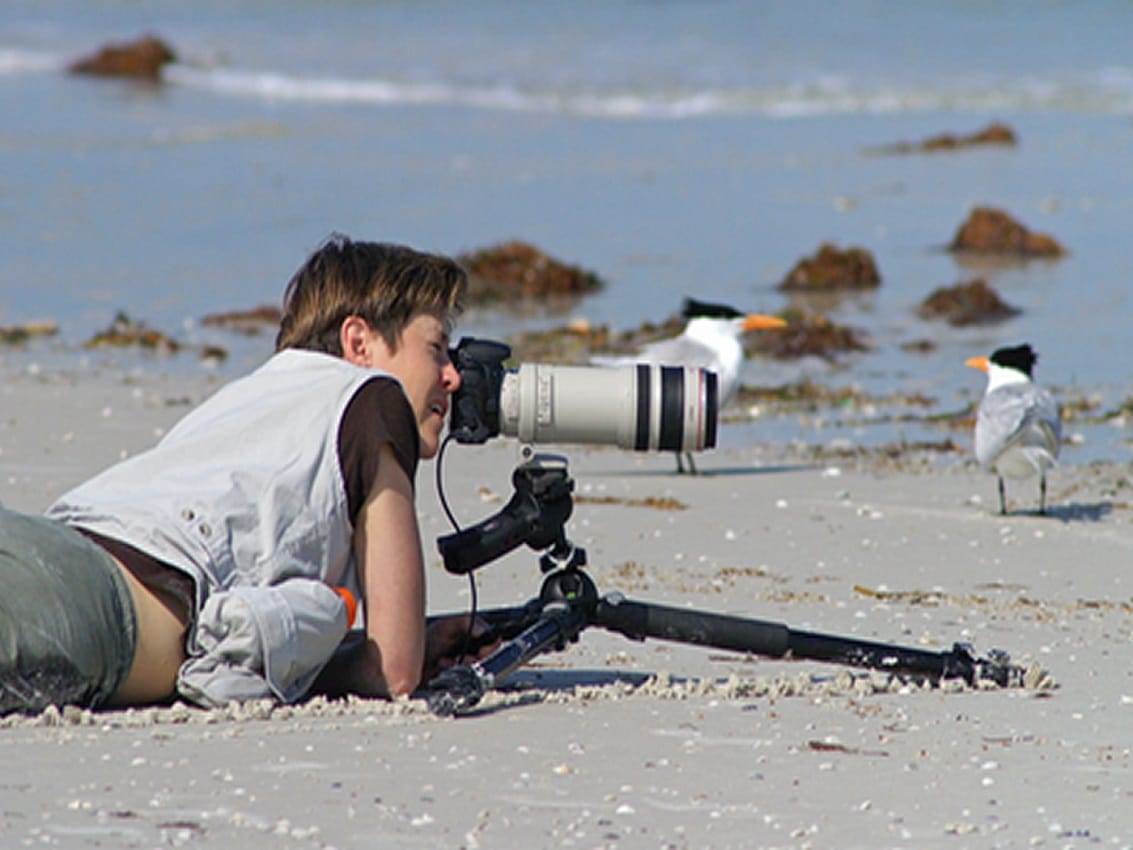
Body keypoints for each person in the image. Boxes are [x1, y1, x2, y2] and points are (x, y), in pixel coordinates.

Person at [0, 235, 489, 715]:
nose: (453, 376)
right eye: (436, 348)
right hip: (92, 608)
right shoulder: (375, 400)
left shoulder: (248, 399)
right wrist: (404, 648)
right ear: (358, 341)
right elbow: (396, 670)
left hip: (56, 546)